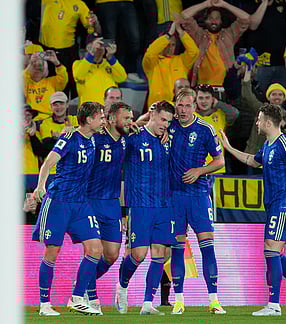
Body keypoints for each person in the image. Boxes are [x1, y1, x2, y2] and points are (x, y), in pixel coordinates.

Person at [218, 104, 286, 316]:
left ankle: (274, 305)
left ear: (267, 122)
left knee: (271, 249)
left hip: (284, 203)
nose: (256, 123)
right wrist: (228, 148)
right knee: (274, 252)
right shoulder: (268, 145)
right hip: (274, 204)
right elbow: (251, 161)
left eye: (258, 119)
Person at [31, 102, 106, 316]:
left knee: (95, 249)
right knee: (52, 252)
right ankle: (45, 305)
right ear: (89, 119)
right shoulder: (69, 138)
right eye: (100, 117)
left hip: (81, 203)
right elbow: (48, 162)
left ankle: (76, 298)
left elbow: (119, 128)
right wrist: (40, 186)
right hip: (59, 201)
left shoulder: (93, 138)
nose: (103, 121)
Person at [115, 101, 178, 315]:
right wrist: (123, 210)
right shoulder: (133, 137)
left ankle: (147, 303)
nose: (165, 125)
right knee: (138, 255)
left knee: (161, 253)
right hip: (140, 205)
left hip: (164, 204)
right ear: (152, 115)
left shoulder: (168, 140)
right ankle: (122, 287)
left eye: (169, 122)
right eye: (162, 120)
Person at [168, 88, 226, 314]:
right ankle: (179, 300)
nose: (183, 110)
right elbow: (149, 121)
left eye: (187, 106)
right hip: (174, 195)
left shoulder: (205, 129)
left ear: (195, 106)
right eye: (179, 105)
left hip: (199, 195)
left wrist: (200, 171)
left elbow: (220, 161)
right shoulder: (168, 124)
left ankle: (214, 300)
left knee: (207, 247)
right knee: (177, 248)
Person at [83, 102, 133, 313]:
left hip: (112, 204)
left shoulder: (125, 140)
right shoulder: (95, 139)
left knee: (111, 255)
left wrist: (122, 211)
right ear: (112, 119)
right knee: (93, 252)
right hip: (90, 202)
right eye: (126, 119)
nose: (130, 122)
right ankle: (91, 298)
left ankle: (82, 283)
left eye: (131, 118)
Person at [181, 0, 250, 87]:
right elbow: (184, 16)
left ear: (222, 21)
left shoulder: (229, 34)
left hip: (226, 89)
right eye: (210, 18)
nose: (214, 21)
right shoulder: (199, 35)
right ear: (205, 20)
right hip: (203, 89)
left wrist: (224, 4)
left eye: (217, 18)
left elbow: (246, 19)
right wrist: (206, 4)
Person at [243, 0, 286, 93]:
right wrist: (264, 3)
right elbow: (253, 25)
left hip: (283, 63)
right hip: (260, 63)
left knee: (281, 98)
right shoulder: (253, 4)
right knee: (260, 97)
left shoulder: (285, 4)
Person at [242, 68, 286, 155]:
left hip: (276, 159)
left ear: (284, 98)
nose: (277, 97)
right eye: (273, 94)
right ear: (268, 97)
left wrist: (284, 127)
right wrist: (248, 71)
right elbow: (247, 95)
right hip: (255, 155)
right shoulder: (261, 110)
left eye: (280, 94)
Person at [143, 17, 199, 106]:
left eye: (173, 45)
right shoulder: (153, 63)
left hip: (180, 108)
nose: (170, 48)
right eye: (167, 45)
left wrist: (180, 32)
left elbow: (194, 52)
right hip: (158, 109)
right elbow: (150, 53)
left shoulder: (181, 61)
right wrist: (168, 35)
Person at [195, 83, 239, 174]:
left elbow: (235, 113)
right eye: (201, 98)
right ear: (196, 99)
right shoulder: (190, 115)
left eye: (207, 98)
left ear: (213, 99)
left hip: (216, 169)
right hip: (195, 168)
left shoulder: (221, 114)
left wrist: (219, 104)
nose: (204, 101)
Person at [96, 0, 144, 83]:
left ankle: (131, 71)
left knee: (134, 38)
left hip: (128, 2)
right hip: (105, 2)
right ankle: (109, 71)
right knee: (109, 39)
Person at [72, 37, 127, 106]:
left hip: (109, 111)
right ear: (88, 47)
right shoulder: (78, 64)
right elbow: (78, 76)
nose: (99, 48)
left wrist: (111, 57)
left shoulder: (110, 64)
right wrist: (91, 53)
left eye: (102, 45)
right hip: (89, 111)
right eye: (97, 44)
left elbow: (122, 78)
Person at [24, 51, 68, 119]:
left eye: (40, 66)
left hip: (49, 118)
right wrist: (31, 63)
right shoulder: (26, 82)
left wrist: (56, 62)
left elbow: (63, 77)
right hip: (32, 118)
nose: (37, 69)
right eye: (34, 66)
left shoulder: (52, 82)